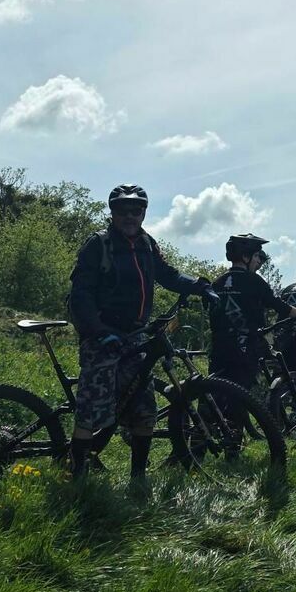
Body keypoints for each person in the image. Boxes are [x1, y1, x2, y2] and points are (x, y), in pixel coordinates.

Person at [66, 184, 211, 479]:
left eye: (136, 210)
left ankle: (138, 480)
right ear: (112, 213)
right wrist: (98, 331)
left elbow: (167, 274)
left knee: (144, 409)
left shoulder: (146, 244)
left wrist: (200, 285)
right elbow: (80, 296)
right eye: (123, 210)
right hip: (103, 336)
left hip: (136, 337)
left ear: (144, 213)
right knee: (92, 411)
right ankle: (77, 477)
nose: (130, 216)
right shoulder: (99, 244)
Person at [207, 233, 296, 392]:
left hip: (219, 349)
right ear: (246, 257)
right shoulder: (253, 281)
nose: (259, 260)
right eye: (256, 256)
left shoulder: (217, 283)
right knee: (250, 401)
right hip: (246, 350)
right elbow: (278, 304)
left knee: (216, 395)